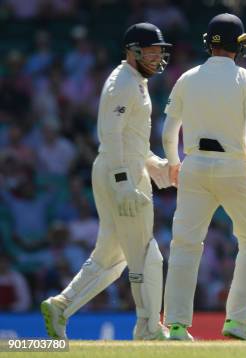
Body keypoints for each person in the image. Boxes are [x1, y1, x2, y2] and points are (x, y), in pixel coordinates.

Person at [40, 23, 173, 340]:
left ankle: (62, 305)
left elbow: (130, 139)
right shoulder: (122, 83)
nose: (156, 59)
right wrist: (124, 180)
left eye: (159, 53)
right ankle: (149, 327)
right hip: (120, 172)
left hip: (121, 168)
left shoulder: (135, 81)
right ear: (132, 51)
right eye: (150, 52)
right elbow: (109, 134)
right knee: (145, 252)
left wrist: (155, 165)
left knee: (112, 256)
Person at [161, 13, 246, 341]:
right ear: (239, 46)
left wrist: (174, 162)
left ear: (208, 43)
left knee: (185, 244)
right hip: (234, 168)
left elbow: (170, 130)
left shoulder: (187, 78)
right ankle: (237, 322)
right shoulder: (245, 79)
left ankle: (175, 325)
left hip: (194, 165)